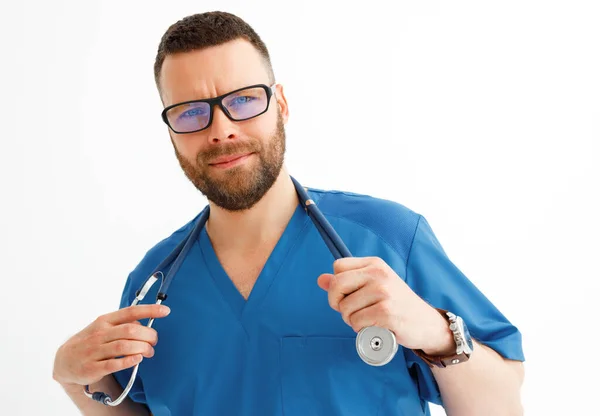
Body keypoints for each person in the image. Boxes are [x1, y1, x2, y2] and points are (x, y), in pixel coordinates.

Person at [52, 11, 525, 416]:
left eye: (242, 100)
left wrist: (432, 331)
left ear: (280, 103)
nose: (221, 130)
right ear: (171, 130)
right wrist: (78, 384)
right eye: (191, 112)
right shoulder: (152, 285)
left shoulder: (386, 238)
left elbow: (502, 402)